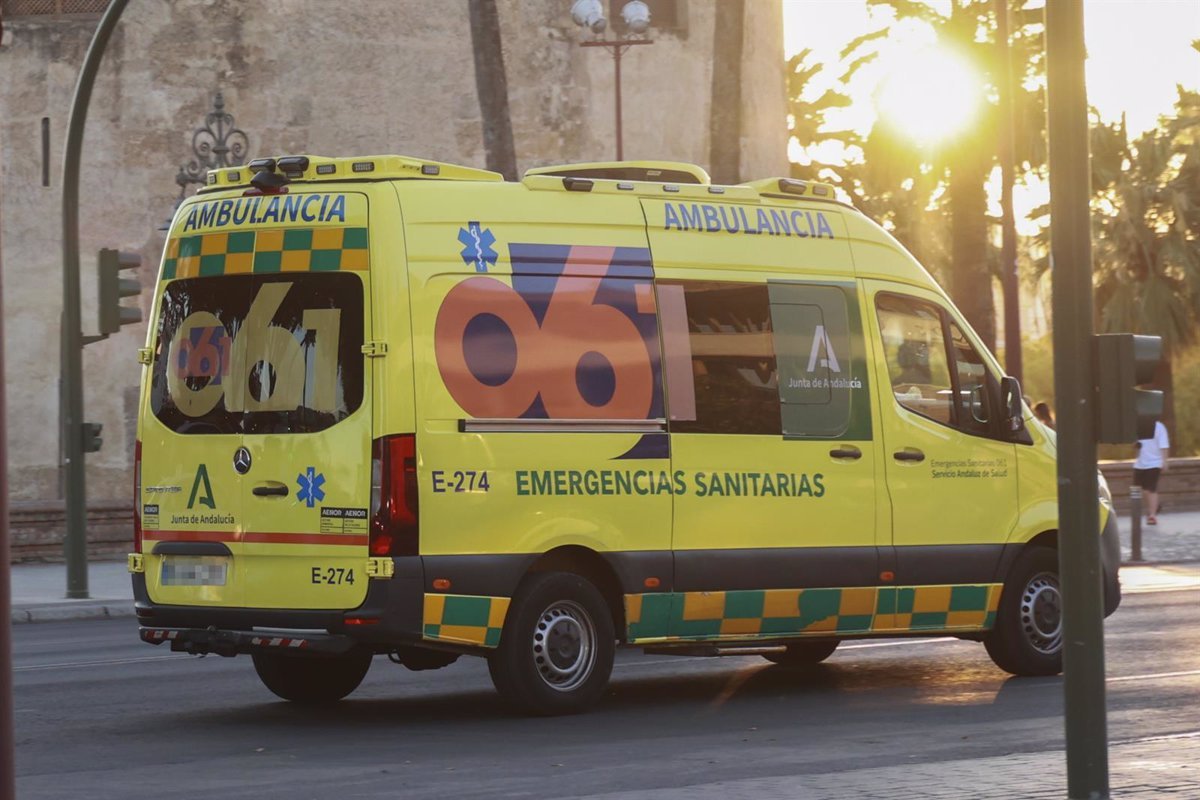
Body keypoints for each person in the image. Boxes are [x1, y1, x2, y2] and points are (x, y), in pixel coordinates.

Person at [1133, 420, 1170, 524]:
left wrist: (1164, 461)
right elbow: (1135, 446)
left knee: (1150, 489)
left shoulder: (1159, 427)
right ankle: (1155, 506)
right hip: (1140, 463)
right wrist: (1135, 445)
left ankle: (1152, 515)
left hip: (1155, 462)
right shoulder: (1138, 426)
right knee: (1139, 491)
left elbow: (1164, 445)